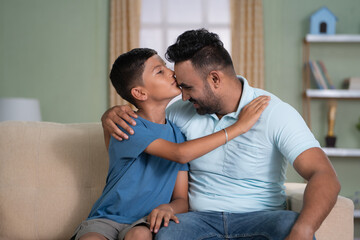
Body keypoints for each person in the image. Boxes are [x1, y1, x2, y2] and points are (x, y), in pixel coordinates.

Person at [101, 29, 341, 240]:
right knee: (168, 234)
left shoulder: (275, 113)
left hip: (260, 218)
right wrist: (110, 116)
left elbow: (324, 174)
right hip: (197, 222)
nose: (182, 96)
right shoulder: (177, 113)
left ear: (215, 79)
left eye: (188, 87)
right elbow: (144, 123)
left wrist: (304, 229)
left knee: (290, 224)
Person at [71, 48, 269, 240]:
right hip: (106, 218)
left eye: (166, 67)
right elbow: (179, 154)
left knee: (139, 235)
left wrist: (170, 208)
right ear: (140, 93)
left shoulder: (177, 133)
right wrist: (239, 127)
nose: (171, 73)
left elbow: (182, 199)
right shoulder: (128, 125)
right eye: (160, 71)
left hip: (143, 222)